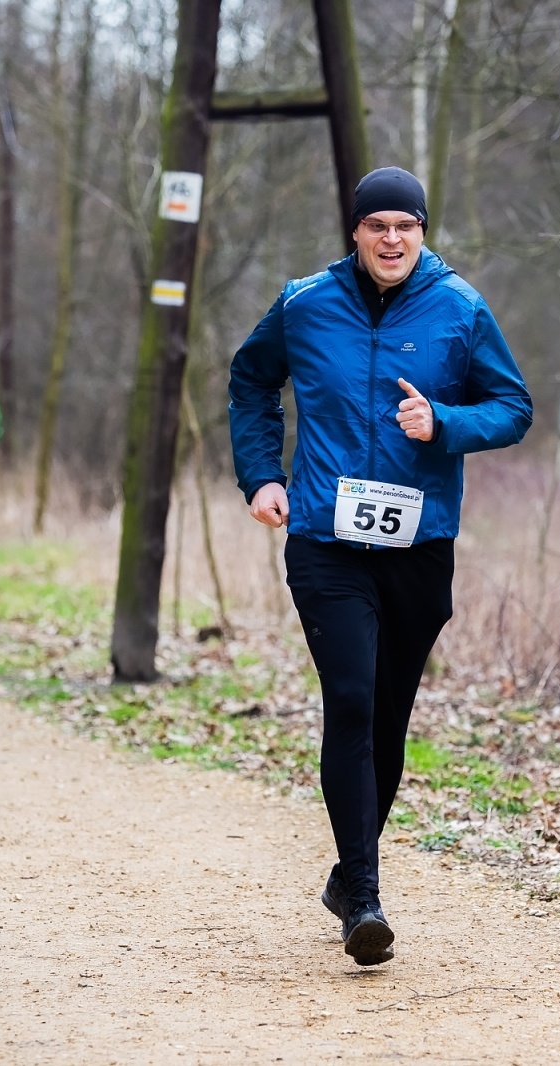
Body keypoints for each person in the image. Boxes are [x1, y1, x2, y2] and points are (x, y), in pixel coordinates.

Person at [228, 166, 533, 966]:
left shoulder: (461, 308)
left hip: (418, 549)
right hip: (326, 543)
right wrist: (261, 474)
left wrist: (446, 422)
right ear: (355, 233)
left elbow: (514, 408)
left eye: (406, 226)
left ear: (422, 233)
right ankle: (363, 897)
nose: (391, 239)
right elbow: (251, 380)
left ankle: (345, 872)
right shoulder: (303, 303)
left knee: (389, 719)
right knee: (353, 699)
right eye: (376, 226)